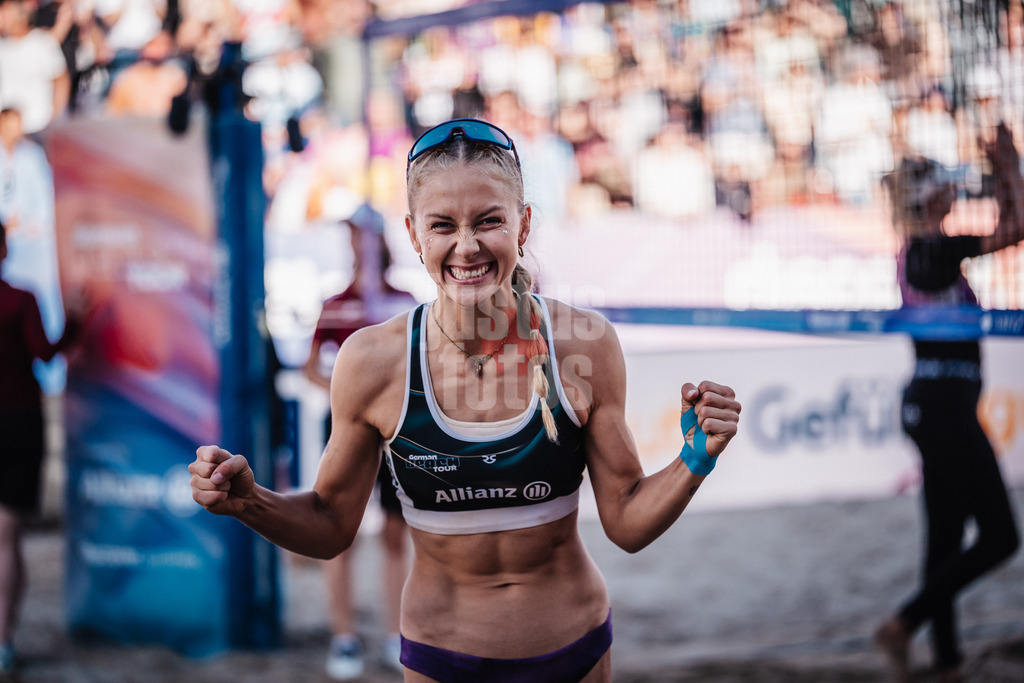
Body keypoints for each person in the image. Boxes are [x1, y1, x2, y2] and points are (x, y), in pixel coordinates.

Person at [190, 118, 741, 681]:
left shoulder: (583, 344)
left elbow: (625, 522)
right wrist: (249, 501)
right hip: (441, 657)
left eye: (489, 221)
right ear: (413, 234)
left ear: (523, 225)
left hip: (574, 648)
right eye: (443, 226)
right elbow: (331, 526)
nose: (467, 246)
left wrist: (695, 459)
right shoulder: (373, 362)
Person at [873, 123, 1023, 683]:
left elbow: (1010, 225)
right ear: (927, 197)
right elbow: (1018, 228)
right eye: (942, 184)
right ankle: (903, 623)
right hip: (943, 409)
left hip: (933, 407)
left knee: (944, 539)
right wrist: (1008, 164)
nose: (952, 190)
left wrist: (1006, 172)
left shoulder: (926, 252)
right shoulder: (931, 251)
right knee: (1001, 537)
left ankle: (948, 662)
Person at [303, 208, 415, 679]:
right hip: (348, 424)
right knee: (338, 534)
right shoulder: (337, 304)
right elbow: (309, 367)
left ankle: (396, 634)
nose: (355, 247)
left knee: (395, 534)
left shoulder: (403, 302)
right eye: (350, 238)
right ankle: (344, 638)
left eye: (360, 237)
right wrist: (346, 389)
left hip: (398, 429)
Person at [0, 220, 83, 675]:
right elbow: (47, 352)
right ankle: (4, 639)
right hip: (19, 424)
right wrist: (73, 318)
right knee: (7, 539)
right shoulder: (19, 299)